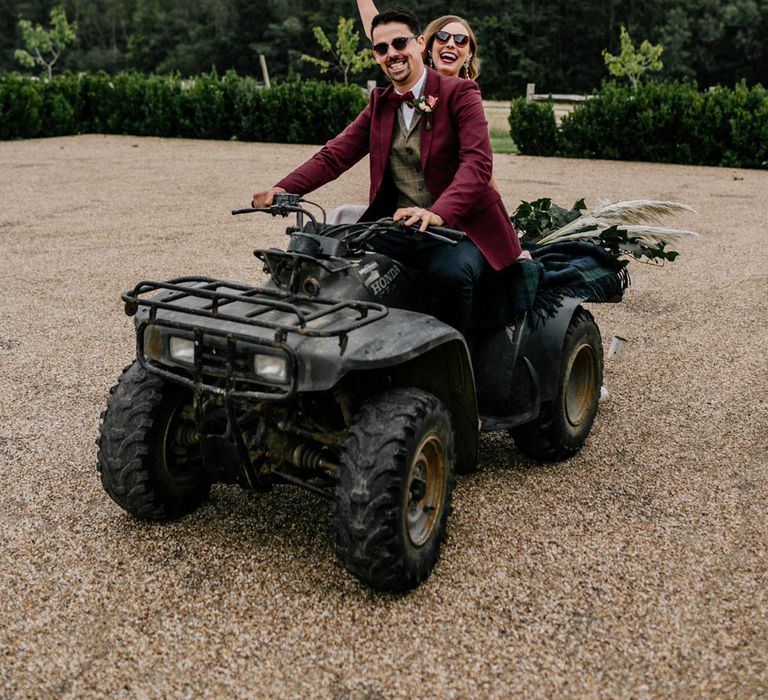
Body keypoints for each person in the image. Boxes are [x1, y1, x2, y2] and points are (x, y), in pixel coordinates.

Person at [253, 9, 522, 334]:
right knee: (320, 245)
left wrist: (438, 213)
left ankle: (449, 371)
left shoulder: (461, 94)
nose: (392, 53)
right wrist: (283, 190)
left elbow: (477, 165)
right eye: (383, 48)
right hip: (401, 226)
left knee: (452, 275)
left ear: (420, 44)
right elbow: (334, 156)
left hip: (460, 230)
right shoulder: (380, 103)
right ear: (376, 56)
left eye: (400, 43)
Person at [357, 0, 479, 80]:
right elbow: (381, 32)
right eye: (442, 37)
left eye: (461, 40)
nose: (451, 44)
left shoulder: (470, 97)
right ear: (428, 45)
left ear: (469, 53)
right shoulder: (413, 80)